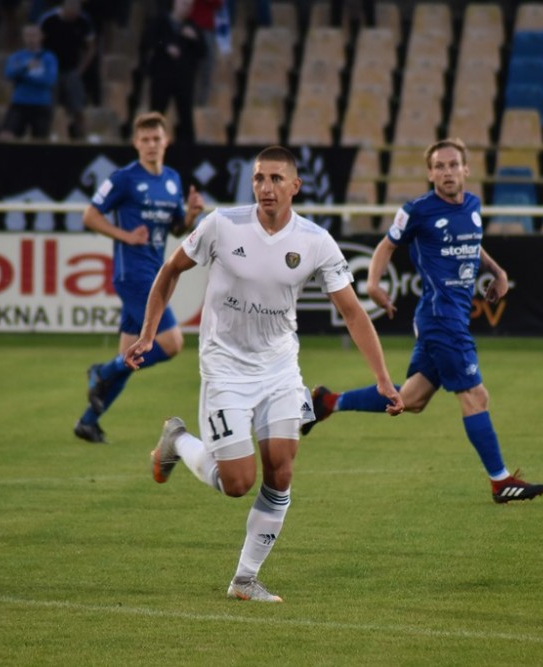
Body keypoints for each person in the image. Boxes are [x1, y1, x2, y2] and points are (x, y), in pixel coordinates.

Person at [124, 146, 404, 602]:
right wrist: (148, 332)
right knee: (237, 483)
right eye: (259, 178)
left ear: (295, 185)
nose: (266, 187)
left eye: (276, 178)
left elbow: (353, 312)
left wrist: (383, 378)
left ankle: (244, 579)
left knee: (281, 469)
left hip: (279, 368)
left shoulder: (315, 241)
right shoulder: (221, 225)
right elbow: (171, 270)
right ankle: (177, 440)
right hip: (225, 367)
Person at [300, 138, 543, 505]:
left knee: (412, 399)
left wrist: (497, 271)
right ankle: (500, 481)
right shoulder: (417, 211)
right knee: (476, 396)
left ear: (466, 169)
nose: (447, 172)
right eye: (439, 166)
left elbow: (472, 243)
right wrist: (372, 283)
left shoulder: (473, 206)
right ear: (430, 173)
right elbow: (386, 245)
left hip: (450, 317)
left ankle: (327, 401)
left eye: (453, 164)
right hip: (440, 318)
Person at [74, 111, 204, 443]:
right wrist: (125, 236)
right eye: (145, 139)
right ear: (135, 143)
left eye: (156, 138)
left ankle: (88, 422)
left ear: (166, 141)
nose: (151, 145)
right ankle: (102, 371)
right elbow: (89, 215)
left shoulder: (172, 179)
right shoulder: (124, 179)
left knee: (131, 357)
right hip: (132, 274)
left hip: (155, 272)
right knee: (172, 343)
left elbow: (176, 228)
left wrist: (190, 216)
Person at [124, 0, 204, 144]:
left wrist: (194, 39)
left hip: (184, 78)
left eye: (190, 6)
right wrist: (165, 46)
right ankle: (152, 144)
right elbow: (147, 41)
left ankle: (188, 149)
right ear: (175, 3)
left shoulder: (192, 26)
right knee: (157, 113)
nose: (187, 8)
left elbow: (203, 52)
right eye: (184, 4)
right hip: (162, 75)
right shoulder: (160, 22)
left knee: (185, 115)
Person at [38, 0, 96, 140]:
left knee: (78, 108)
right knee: (48, 108)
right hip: (51, 72)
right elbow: (37, 42)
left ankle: (81, 139)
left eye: (77, 9)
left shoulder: (83, 21)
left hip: (72, 71)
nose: (75, 13)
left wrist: (80, 69)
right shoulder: (49, 20)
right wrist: (44, 66)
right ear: (64, 7)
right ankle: (45, 137)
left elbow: (91, 48)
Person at [0, 24, 58, 140]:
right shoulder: (17, 56)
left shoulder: (48, 57)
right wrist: (25, 68)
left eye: (34, 35)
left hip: (41, 103)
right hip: (20, 102)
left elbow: (49, 80)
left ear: (41, 37)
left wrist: (23, 77)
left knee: (40, 140)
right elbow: (9, 74)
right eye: (27, 35)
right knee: (7, 135)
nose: (31, 39)